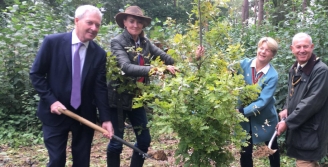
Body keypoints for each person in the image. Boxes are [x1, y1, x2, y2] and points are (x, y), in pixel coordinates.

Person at [106, 6, 204, 167]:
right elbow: (126, 67)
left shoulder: (145, 43)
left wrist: (192, 57)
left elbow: (167, 59)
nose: (135, 25)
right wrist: (155, 69)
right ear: (124, 22)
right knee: (117, 143)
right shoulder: (118, 42)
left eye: (139, 22)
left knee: (144, 140)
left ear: (143, 25)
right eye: (131, 21)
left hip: (137, 99)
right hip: (118, 99)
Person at [29, 5, 113, 167]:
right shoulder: (52, 43)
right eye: (90, 23)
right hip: (55, 113)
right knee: (57, 160)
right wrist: (51, 100)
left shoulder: (99, 54)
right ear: (76, 21)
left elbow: (100, 88)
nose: (94, 28)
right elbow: (36, 74)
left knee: (82, 162)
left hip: (84, 115)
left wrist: (105, 118)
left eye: (97, 25)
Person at [276, 32, 328, 167]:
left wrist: (288, 122)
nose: (302, 50)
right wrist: (286, 108)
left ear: (312, 47)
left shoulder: (321, 71)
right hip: (300, 129)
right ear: (292, 49)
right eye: (298, 47)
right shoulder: (295, 68)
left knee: (305, 161)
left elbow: (311, 103)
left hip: (311, 130)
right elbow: (292, 94)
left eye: (305, 46)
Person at [236, 37, 280, 167]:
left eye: (268, 50)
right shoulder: (243, 64)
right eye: (261, 48)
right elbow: (223, 69)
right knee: (245, 151)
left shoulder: (272, 75)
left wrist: (242, 111)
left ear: (272, 55)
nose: (263, 52)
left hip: (264, 118)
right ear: (257, 49)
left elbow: (263, 101)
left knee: (272, 149)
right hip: (244, 119)